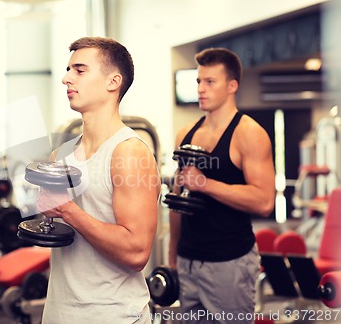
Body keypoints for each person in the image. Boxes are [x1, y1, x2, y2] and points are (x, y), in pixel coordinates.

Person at [37, 37, 160, 324]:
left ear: (113, 81)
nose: (67, 78)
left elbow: (137, 252)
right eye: (68, 70)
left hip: (111, 314)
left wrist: (67, 209)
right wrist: (47, 212)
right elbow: (59, 230)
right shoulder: (62, 153)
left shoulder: (129, 152)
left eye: (79, 70)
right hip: (59, 310)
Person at [168, 47, 276, 323]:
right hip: (188, 259)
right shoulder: (186, 133)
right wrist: (173, 255)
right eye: (198, 81)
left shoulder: (249, 133)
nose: (201, 89)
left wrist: (205, 184)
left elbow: (264, 201)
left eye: (210, 82)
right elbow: (178, 199)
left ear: (232, 85)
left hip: (229, 261)